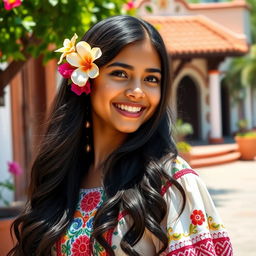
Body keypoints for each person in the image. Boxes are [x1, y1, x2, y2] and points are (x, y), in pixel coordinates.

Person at [8, 15, 233, 256]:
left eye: (151, 79)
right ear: (86, 79)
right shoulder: (57, 176)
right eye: (120, 74)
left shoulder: (171, 182)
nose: (137, 91)